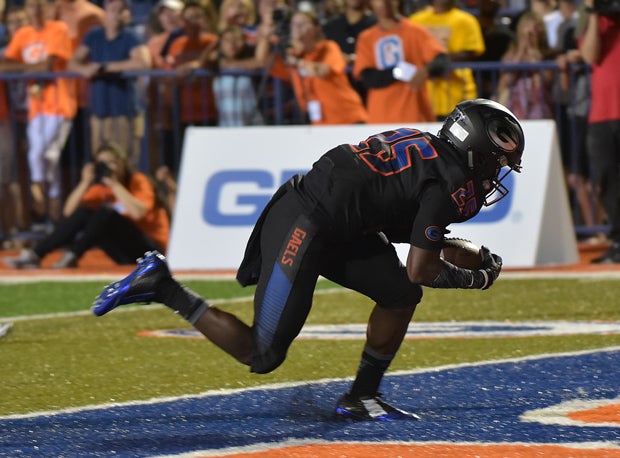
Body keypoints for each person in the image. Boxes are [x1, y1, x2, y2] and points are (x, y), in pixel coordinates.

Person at [91, 98, 523, 421]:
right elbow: (422, 266)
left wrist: (472, 254)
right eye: (497, 163)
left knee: (398, 294)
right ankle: (163, 286)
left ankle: (362, 396)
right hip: (308, 220)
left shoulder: (429, 153)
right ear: (477, 151)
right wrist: (477, 279)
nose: (495, 175)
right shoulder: (448, 182)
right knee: (263, 353)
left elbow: (413, 238)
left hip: (341, 223)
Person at [3, 141, 170, 269]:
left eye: (112, 162)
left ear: (122, 163)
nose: (108, 168)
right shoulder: (101, 187)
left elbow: (138, 213)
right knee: (88, 212)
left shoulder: (137, 180)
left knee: (106, 212)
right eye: (102, 164)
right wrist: (85, 182)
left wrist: (115, 185)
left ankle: (73, 254)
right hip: (124, 253)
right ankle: (36, 254)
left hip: (152, 251)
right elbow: (69, 213)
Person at [0, 0, 77, 228]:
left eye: (41, 5)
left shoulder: (58, 29)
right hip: (36, 106)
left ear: (50, 8)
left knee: (44, 155)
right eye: (32, 5)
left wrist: (25, 69)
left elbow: (47, 67)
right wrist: (32, 69)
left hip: (59, 103)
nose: (36, 10)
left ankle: (42, 198)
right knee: (45, 158)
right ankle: (51, 215)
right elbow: (4, 64)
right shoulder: (24, 33)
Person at [68, 0, 152, 168]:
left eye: (122, 10)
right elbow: (73, 63)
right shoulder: (94, 35)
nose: (117, 14)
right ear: (105, 12)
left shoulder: (130, 36)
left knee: (125, 160)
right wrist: (86, 70)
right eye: (113, 10)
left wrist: (105, 67)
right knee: (100, 158)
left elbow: (143, 62)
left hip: (124, 109)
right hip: (99, 109)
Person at [352, 0, 449, 124]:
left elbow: (442, 59)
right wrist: (397, 71)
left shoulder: (416, 31)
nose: (384, 3)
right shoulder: (366, 38)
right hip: (379, 118)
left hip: (414, 116)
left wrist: (427, 69)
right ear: (371, 4)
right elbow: (367, 78)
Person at [267, 9, 368, 125]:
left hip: (347, 119)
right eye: (294, 24)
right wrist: (265, 38)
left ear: (316, 28)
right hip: (320, 123)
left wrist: (297, 62)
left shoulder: (329, 47)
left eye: (303, 23)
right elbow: (266, 63)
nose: (298, 28)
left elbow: (322, 71)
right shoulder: (293, 55)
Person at [579, 0, 620, 262]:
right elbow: (590, 55)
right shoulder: (599, 23)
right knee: (608, 181)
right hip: (602, 115)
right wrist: (595, 13)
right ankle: (618, 242)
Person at [410, 0, 486, 120]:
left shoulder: (466, 20)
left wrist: (436, 63)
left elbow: (471, 52)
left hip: (457, 94)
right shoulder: (415, 21)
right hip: (423, 96)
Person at [495, 11, 554, 120]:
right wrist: (521, 50)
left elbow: (544, 81)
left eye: (536, 27)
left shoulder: (549, 54)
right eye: (527, 27)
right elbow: (507, 80)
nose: (532, 32)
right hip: (515, 108)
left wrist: (534, 53)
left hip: (539, 109)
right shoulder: (511, 54)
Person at [322, 0, 377, 102]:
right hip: (339, 92)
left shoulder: (377, 25)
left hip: (370, 90)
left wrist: (355, 59)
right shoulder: (331, 26)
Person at [213, 26, 264, 126]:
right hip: (225, 125)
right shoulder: (214, 64)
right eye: (227, 40)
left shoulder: (251, 65)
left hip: (251, 125)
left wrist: (230, 64)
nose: (232, 44)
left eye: (237, 39)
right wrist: (213, 45)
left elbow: (260, 62)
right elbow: (202, 63)